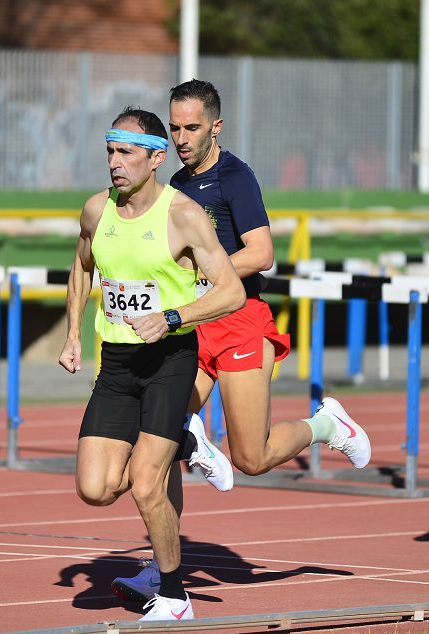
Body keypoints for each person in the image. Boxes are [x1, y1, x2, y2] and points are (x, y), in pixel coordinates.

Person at [111, 79, 371, 602]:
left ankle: (325, 424)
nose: (181, 138)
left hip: (239, 320)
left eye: (192, 128)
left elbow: (261, 253)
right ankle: (167, 569)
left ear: (216, 127)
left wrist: (206, 275)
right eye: (175, 128)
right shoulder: (175, 186)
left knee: (251, 457)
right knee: (158, 442)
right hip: (192, 324)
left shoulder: (236, 178)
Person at [58, 107, 245, 621]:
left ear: (156, 158)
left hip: (169, 360)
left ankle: (173, 595)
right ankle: (184, 439)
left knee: (146, 483)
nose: (115, 164)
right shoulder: (97, 211)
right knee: (94, 489)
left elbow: (229, 291)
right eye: (110, 153)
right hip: (116, 365)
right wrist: (73, 333)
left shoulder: (183, 215)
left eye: (126, 153)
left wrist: (172, 316)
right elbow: (81, 267)